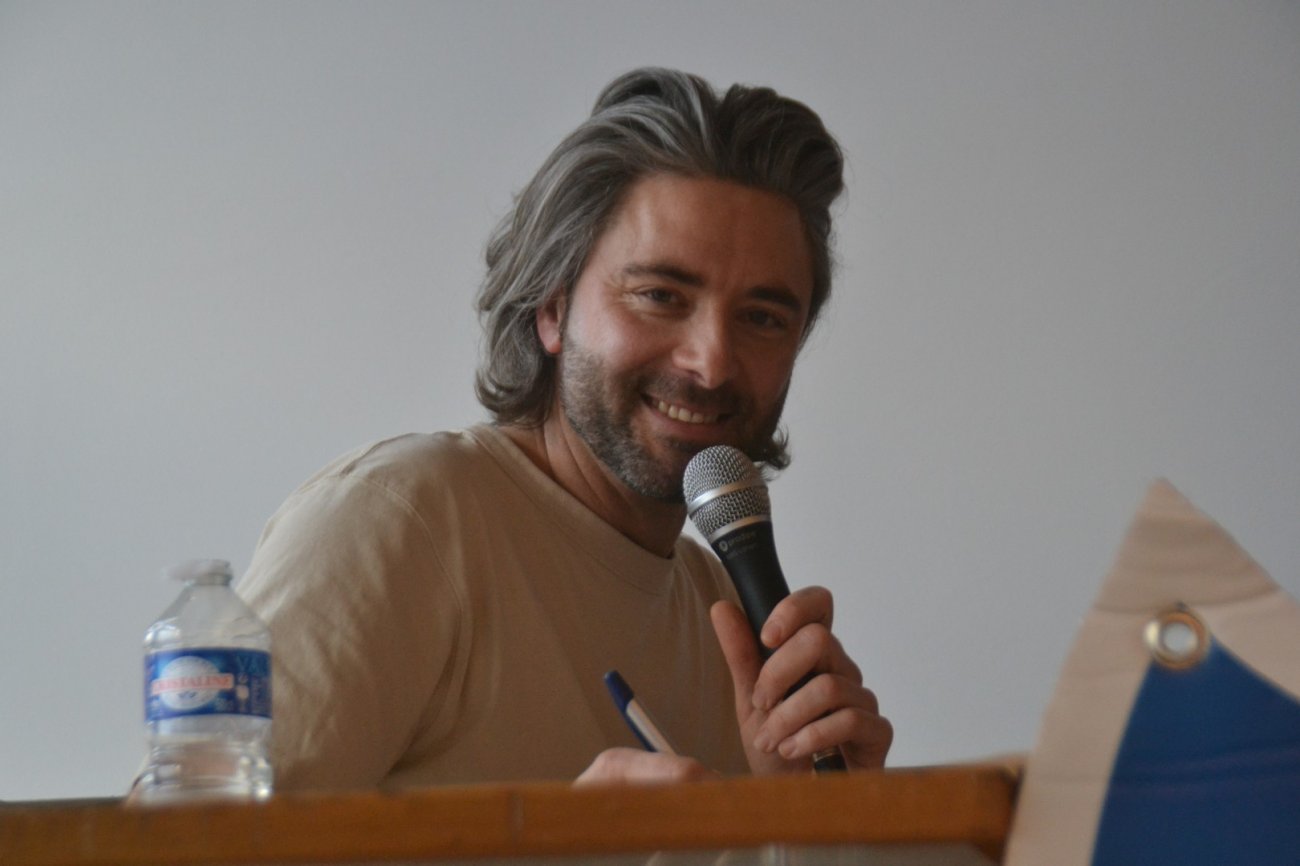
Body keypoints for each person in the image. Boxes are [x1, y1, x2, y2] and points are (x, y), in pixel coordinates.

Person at [238, 66, 892, 791]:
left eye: (762, 318)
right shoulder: (403, 523)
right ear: (552, 310)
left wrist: (808, 817)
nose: (711, 362)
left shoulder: (724, 609)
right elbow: (187, 838)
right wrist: (560, 838)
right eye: (660, 295)